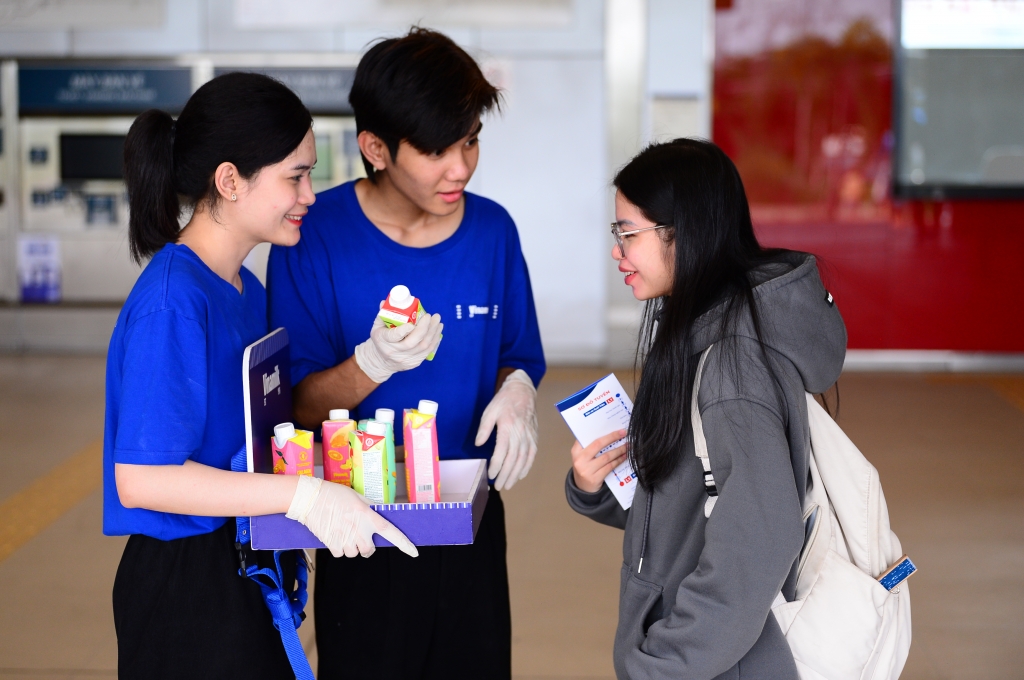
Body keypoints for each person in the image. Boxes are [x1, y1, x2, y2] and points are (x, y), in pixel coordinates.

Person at [103, 72, 416, 680]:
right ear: (229, 181)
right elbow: (142, 478)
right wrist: (300, 497)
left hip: (243, 562)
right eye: (295, 175)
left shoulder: (244, 289)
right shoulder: (172, 302)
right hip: (186, 591)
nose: (310, 194)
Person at [266, 28, 545, 680]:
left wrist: (518, 390)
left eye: (471, 140)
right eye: (437, 150)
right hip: (359, 520)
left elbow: (518, 352)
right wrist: (374, 363)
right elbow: (297, 405)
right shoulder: (314, 236)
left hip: (469, 519)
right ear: (376, 148)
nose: (462, 168)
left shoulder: (493, 231)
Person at [565, 139, 847, 679]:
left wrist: (666, 663)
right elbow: (688, 506)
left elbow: (760, 539)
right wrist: (595, 487)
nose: (616, 250)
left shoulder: (730, 369)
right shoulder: (700, 335)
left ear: (683, 232)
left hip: (718, 662)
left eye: (628, 233)